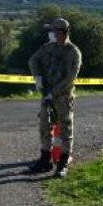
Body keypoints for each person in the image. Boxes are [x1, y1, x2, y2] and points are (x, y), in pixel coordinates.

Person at [27, 17, 82, 177]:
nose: (50, 34)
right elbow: (33, 60)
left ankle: (63, 163)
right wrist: (37, 77)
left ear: (62, 32)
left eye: (53, 31)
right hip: (46, 95)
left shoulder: (73, 52)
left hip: (63, 96)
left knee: (65, 128)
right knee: (45, 126)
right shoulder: (48, 47)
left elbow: (70, 78)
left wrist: (53, 93)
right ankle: (45, 160)